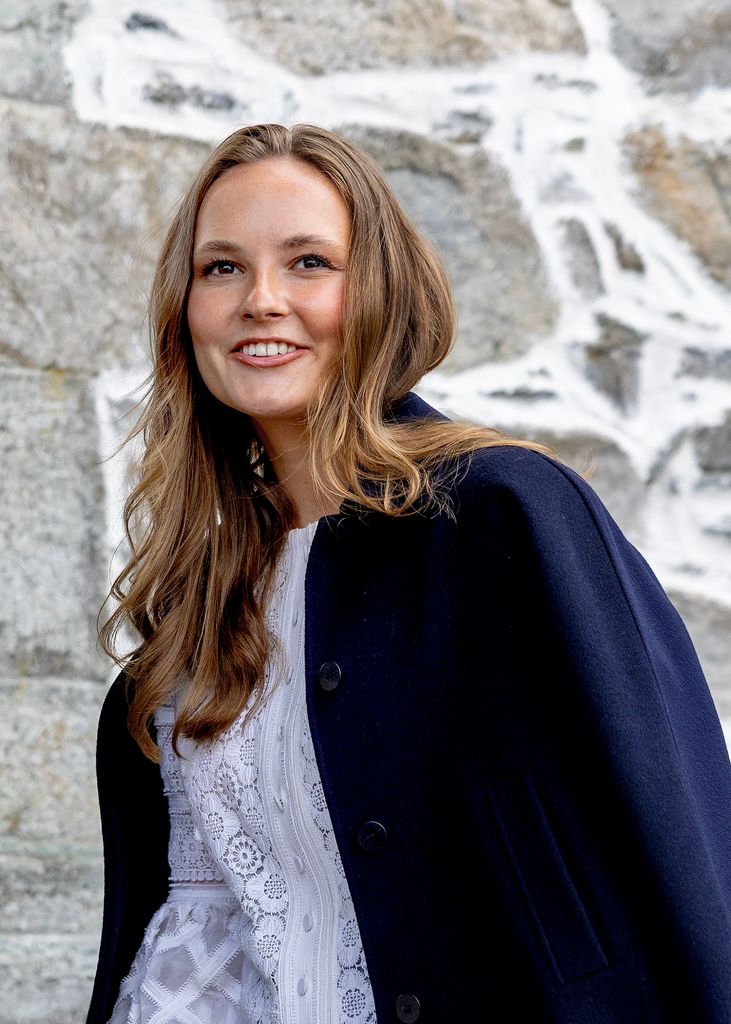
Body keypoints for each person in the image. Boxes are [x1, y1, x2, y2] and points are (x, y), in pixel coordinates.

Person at [86, 123, 731, 1024]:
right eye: (221, 268)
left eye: (309, 263)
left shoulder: (502, 512)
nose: (260, 300)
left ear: (380, 293)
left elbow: (673, 826)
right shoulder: (201, 592)